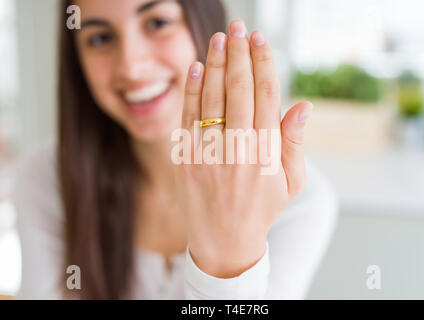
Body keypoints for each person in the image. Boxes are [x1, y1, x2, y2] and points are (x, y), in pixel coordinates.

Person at [15, 0, 338, 299]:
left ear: (206, 21)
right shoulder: (47, 179)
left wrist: (227, 264)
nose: (131, 66)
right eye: (100, 38)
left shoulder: (298, 199)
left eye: (157, 22)